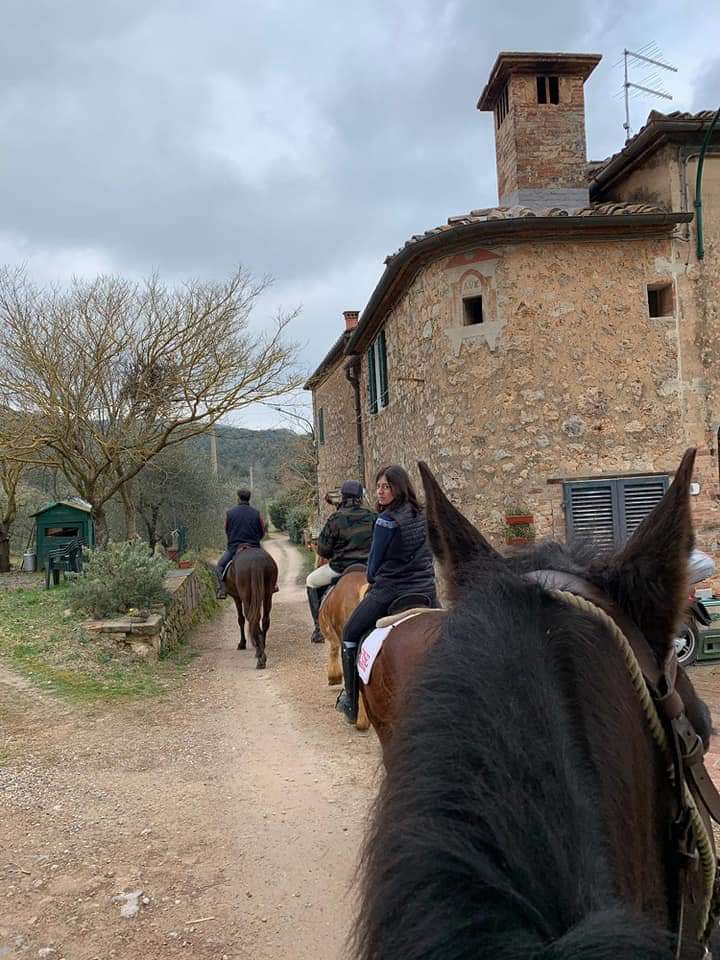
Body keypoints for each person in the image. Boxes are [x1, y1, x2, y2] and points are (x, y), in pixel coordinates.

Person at [336, 465, 438, 723]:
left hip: (391, 592)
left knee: (349, 634)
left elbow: (371, 571)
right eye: (378, 487)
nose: (380, 492)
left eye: (386, 487)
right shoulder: (424, 514)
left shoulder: (386, 521)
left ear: (398, 489)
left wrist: (376, 575)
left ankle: (350, 700)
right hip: (426, 590)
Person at [306, 479, 376, 643]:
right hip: (368, 569)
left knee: (311, 581)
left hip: (340, 568)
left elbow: (323, 550)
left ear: (343, 497)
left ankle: (318, 628)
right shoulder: (373, 516)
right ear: (360, 498)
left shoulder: (335, 519)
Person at [216, 488, 266, 599]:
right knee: (268, 562)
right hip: (254, 547)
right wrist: (256, 540)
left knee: (219, 566)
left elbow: (227, 529)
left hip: (234, 548)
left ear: (238, 498)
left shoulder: (230, 514)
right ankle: (272, 585)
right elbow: (262, 531)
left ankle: (223, 590)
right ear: (249, 498)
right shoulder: (256, 513)